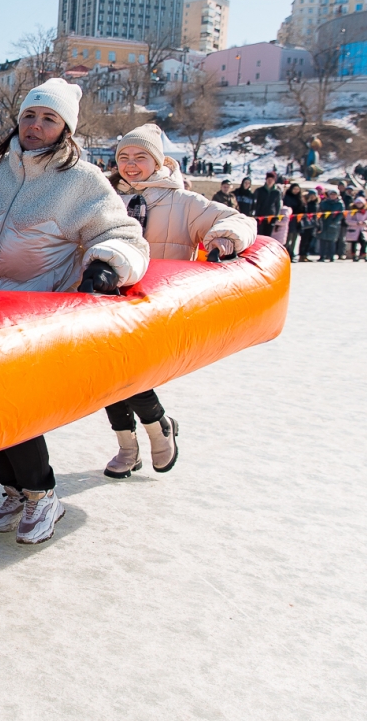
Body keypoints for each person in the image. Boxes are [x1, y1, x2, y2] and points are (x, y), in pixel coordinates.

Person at [0, 80, 149, 541]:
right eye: (30, 116)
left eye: (49, 118)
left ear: (65, 128)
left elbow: (123, 234)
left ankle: (43, 496)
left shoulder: (80, 181)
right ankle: (15, 490)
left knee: (14, 408)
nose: (36, 126)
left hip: (31, 310)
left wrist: (106, 266)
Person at [101, 124, 248, 478]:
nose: (131, 165)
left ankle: (158, 427)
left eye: (140, 157)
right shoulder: (107, 199)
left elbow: (236, 219)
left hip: (158, 303)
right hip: (108, 299)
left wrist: (224, 239)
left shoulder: (182, 201)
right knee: (107, 374)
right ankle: (127, 446)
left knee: (130, 374)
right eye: (124, 157)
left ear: (157, 161)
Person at [317, 188, 344, 262]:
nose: (333, 196)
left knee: (331, 241)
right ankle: (322, 256)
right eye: (331, 194)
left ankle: (331, 256)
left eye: (334, 194)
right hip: (324, 223)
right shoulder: (324, 203)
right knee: (322, 241)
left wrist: (334, 221)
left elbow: (340, 214)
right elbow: (320, 211)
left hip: (334, 224)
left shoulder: (339, 203)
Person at [253, 171, 282, 237]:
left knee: (268, 235)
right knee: (259, 234)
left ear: (274, 181)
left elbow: (278, 205)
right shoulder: (259, 190)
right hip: (260, 216)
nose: (270, 181)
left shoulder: (277, 192)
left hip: (271, 217)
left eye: (272, 180)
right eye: (268, 179)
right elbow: (255, 203)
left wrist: (276, 216)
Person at [344, 197, 367, 261]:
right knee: (354, 243)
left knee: (363, 242)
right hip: (354, 229)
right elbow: (348, 220)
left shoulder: (366, 211)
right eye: (358, 203)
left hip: (362, 229)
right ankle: (354, 256)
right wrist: (356, 223)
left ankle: (363, 255)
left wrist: (365, 222)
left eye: (361, 203)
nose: (359, 204)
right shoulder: (351, 211)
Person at [282, 183, 304, 259]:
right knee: (288, 238)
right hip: (289, 220)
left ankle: (292, 253)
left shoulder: (300, 198)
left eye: (297, 189)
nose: (296, 191)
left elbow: (302, 208)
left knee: (295, 238)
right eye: (294, 189)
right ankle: (286, 253)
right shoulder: (287, 197)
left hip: (297, 221)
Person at [298, 191, 320, 262]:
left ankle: (306, 255)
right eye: (311, 195)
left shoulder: (317, 205)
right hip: (306, 225)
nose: (312, 197)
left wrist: (319, 225)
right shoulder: (306, 204)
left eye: (314, 195)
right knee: (304, 240)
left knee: (310, 240)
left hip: (313, 225)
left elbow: (318, 216)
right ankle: (301, 255)